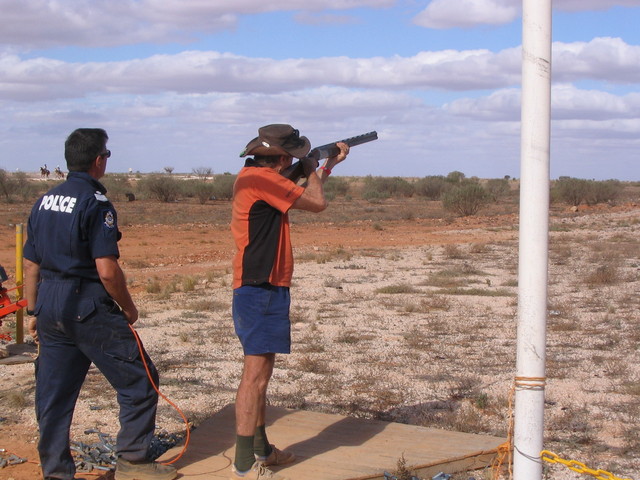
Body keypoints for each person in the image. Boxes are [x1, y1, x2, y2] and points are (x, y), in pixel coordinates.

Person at [23, 128, 177, 480]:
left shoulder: (43, 201)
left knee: (53, 396)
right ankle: (133, 462)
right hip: (86, 303)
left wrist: (34, 311)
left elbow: (31, 263)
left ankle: (56, 472)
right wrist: (128, 308)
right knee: (140, 381)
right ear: (98, 160)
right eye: (106, 154)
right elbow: (107, 270)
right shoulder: (96, 203)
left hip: (49, 303)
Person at [230, 124, 349, 480]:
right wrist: (313, 169)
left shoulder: (257, 178)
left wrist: (324, 167)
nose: (296, 161)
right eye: (293, 157)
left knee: (261, 374)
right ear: (282, 158)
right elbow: (316, 203)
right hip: (260, 286)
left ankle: (262, 450)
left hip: (262, 286)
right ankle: (243, 465)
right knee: (255, 377)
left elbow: (298, 195)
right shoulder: (261, 180)